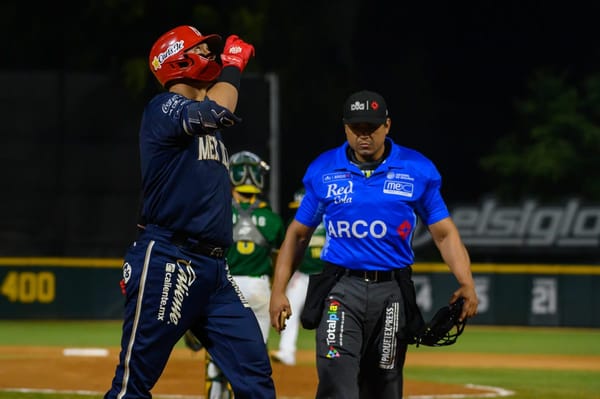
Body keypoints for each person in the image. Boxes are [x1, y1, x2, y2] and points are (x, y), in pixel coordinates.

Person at [269, 89, 478, 398]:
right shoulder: (324, 170)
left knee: (384, 389)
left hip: (392, 292)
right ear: (345, 128)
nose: (363, 135)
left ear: (388, 126)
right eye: (356, 128)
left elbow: (444, 233)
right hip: (340, 288)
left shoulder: (417, 170)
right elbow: (298, 234)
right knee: (336, 383)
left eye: (371, 128)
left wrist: (466, 282)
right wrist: (278, 290)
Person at [104, 25, 277, 399]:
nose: (212, 57)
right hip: (170, 258)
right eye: (204, 50)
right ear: (177, 59)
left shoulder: (199, 120)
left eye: (215, 52)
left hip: (215, 268)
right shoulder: (163, 108)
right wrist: (232, 66)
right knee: (132, 386)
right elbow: (217, 111)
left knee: (255, 375)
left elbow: (211, 110)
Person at [187, 150, 285, 398]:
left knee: (217, 356)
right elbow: (279, 258)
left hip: (224, 287)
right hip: (259, 290)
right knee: (252, 360)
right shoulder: (272, 219)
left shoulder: (217, 213)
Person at [270, 187, 325, 366]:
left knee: (330, 318)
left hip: (326, 277)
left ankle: (329, 355)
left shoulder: (330, 222)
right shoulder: (295, 223)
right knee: (289, 311)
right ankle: (287, 352)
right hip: (302, 276)